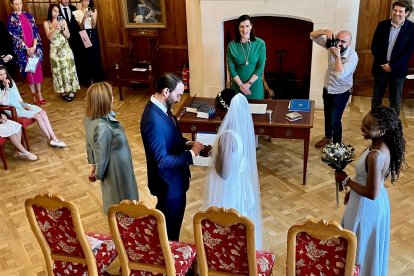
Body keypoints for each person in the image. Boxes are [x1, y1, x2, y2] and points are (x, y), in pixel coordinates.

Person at [335, 105, 405, 276]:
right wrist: (352, 191)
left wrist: (346, 181)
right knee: (367, 247)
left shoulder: (375, 155)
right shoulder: (381, 145)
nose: (362, 128)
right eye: (363, 123)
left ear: (382, 130)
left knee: (358, 245)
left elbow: (371, 194)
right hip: (374, 201)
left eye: (367, 127)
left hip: (365, 207)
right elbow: (371, 181)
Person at [140, 73, 204, 241]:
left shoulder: (164, 110)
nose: (179, 99)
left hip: (175, 181)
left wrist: (189, 144)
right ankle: (169, 261)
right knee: (168, 230)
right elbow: (161, 161)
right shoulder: (152, 119)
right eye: (178, 95)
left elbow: (172, 139)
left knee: (173, 227)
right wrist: (190, 155)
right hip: (167, 185)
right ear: (166, 91)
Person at [203, 88, 263, 249]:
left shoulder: (226, 136)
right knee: (241, 223)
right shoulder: (240, 129)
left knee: (226, 224)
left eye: (216, 109)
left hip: (228, 187)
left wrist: (211, 154)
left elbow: (224, 172)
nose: (215, 112)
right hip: (240, 183)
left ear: (223, 110)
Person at [85, 82, 139, 214]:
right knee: (122, 200)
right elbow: (101, 155)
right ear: (105, 100)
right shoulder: (102, 126)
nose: (113, 98)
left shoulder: (89, 119)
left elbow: (89, 144)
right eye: (111, 96)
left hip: (117, 166)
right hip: (117, 170)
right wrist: (98, 173)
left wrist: (93, 164)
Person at [310, 29, 359, 148]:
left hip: (341, 92)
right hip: (328, 88)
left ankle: (337, 145)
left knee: (335, 120)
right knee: (327, 116)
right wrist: (324, 31)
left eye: (343, 41)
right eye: (338, 40)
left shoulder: (352, 57)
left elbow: (340, 75)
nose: (339, 44)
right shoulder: (331, 45)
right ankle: (327, 137)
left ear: (349, 44)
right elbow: (312, 36)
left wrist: (337, 56)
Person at [0, 65, 66, 148]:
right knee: (38, 116)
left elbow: (18, 97)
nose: (3, 76)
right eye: (1, 75)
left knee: (42, 112)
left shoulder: (11, 81)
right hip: (11, 109)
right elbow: (4, 102)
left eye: (4, 74)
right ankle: (50, 139)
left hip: (19, 105)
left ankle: (54, 138)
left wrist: (23, 105)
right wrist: (6, 87)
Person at [371, 0, 414, 115]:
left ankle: (393, 126)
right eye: (395, 10)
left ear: (407, 13)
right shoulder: (382, 25)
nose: (397, 13)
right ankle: (375, 125)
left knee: (395, 100)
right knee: (376, 98)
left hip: (398, 70)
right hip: (381, 68)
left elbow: (409, 51)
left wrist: (392, 66)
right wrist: (384, 63)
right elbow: (375, 46)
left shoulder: (411, 28)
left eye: (400, 11)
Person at [8, 0, 45, 105]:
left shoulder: (28, 15)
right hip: (23, 50)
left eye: (20, 3)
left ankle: (40, 93)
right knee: (29, 72)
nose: (19, 6)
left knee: (37, 71)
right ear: (12, 5)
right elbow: (14, 37)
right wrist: (26, 49)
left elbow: (35, 32)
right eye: (16, 4)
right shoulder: (11, 19)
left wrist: (33, 46)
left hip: (34, 48)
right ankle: (33, 96)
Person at [44, 4, 79, 102]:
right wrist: (56, 28)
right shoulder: (47, 23)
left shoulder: (63, 21)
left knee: (69, 69)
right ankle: (62, 92)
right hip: (55, 50)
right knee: (57, 71)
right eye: (54, 11)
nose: (56, 13)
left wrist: (63, 28)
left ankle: (72, 91)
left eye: (58, 11)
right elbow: (49, 37)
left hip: (65, 48)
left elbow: (68, 36)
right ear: (50, 11)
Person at [227, 14, 266, 99]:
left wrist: (248, 84)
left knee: (257, 111)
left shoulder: (260, 43)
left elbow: (261, 67)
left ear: (251, 26)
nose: (245, 30)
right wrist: (241, 85)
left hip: (255, 86)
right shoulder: (231, 45)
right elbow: (231, 68)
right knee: (238, 111)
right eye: (241, 27)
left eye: (247, 26)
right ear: (238, 28)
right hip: (238, 86)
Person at [73, 0, 104, 83]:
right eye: (84, 0)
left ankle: (96, 77)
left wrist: (93, 17)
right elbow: (81, 27)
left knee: (94, 54)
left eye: (88, 0)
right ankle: (87, 79)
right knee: (85, 55)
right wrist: (84, 17)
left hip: (92, 33)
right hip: (83, 33)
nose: (86, 2)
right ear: (81, 1)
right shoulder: (76, 12)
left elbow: (93, 26)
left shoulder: (94, 10)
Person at [59, 0, 87, 86]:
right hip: (63, 39)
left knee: (79, 58)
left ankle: (82, 80)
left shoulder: (73, 8)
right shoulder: (56, 10)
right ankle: (70, 82)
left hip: (76, 38)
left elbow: (80, 24)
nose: (67, 0)